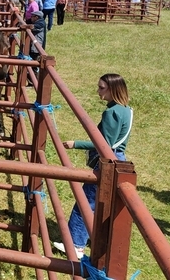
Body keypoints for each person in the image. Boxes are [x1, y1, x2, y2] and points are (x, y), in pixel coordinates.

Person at [54, 74, 132, 259]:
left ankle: (75, 245)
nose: (98, 91)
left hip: (107, 161)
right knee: (101, 204)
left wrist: (76, 143)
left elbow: (105, 144)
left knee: (86, 202)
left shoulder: (111, 113)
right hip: (118, 158)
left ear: (113, 89)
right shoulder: (126, 110)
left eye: (102, 88)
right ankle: (95, 238)